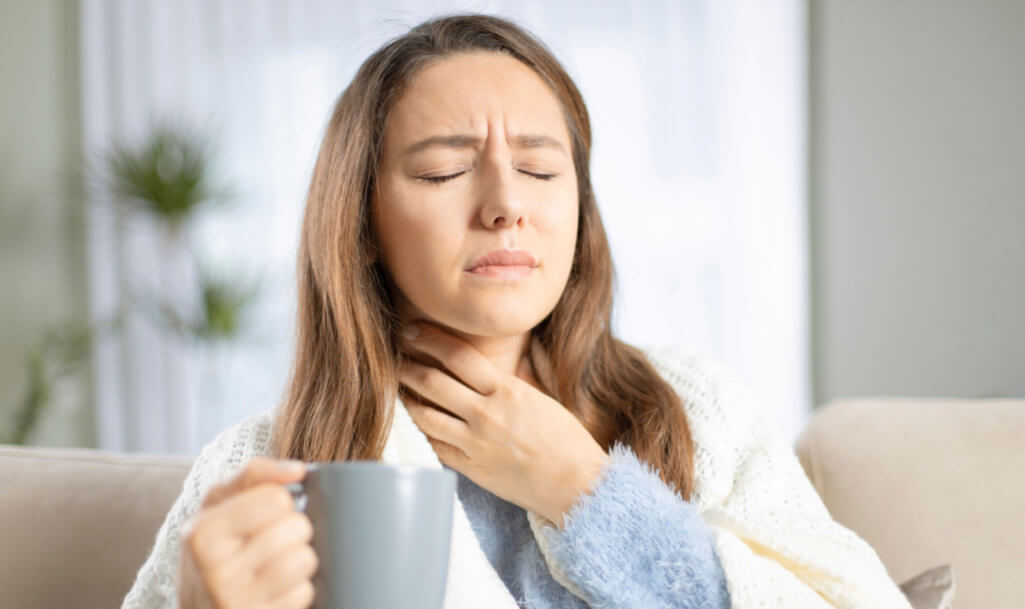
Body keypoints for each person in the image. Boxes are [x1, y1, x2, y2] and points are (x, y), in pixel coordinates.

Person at [122, 12, 914, 609]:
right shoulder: (264, 461)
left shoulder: (695, 410)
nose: (506, 205)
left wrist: (585, 490)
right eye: (441, 172)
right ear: (361, 224)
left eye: (539, 169)